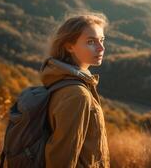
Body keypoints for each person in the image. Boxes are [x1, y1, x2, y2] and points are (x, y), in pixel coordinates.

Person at [39, 12, 110, 168]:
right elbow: (62, 160)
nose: (101, 48)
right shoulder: (77, 94)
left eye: (102, 40)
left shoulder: (62, 81)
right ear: (69, 46)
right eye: (91, 42)